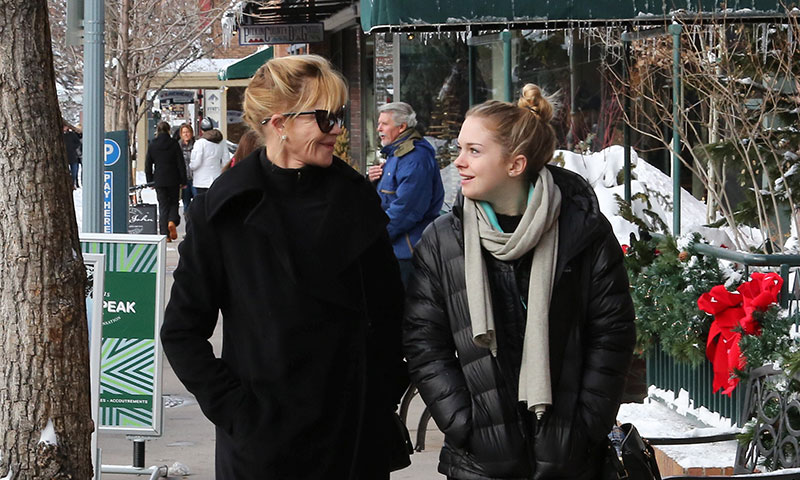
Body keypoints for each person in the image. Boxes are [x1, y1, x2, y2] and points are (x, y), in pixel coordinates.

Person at [161, 54, 410, 479]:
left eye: (337, 116)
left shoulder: (356, 199)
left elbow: (391, 313)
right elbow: (182, 332)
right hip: (265, 447)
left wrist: (381, 391)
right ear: (279, 124)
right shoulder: (223, 211)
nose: (337, 129)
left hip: (351, 439)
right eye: (324, 117)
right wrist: (239, 413)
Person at [402, 84, 636, 480]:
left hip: (572, 458)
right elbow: (424, 340)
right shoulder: (443, 241)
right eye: (460, 148)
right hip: (480, 461)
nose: (458, 162)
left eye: (474, 151)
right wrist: (464, 423)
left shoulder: (583, 234)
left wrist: (585, 426)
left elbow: (612, 334)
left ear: (515, 165)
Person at [366, 102, 444, 286]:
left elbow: (407, 210)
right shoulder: (397, 154)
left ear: (402, 127)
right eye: (379, 123)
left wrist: (377, 237)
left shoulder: (414, 158)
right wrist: (371, 180)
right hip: (397, 249)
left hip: (408, 253)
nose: (379, 129)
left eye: (384, 124)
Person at [145, 121, 187, 242]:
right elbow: (180, 163)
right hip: (173, 178)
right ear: (169, 130)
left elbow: (148, 164)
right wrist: (183, 180)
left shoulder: (153, 144)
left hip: (159, 179)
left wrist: (150, 181)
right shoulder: (174, 144)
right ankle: (172, 220)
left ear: (157, 131)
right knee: (174, 202)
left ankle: (165, 235)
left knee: (163, 205)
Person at [189, 117, 229, 195]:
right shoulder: (222, 142)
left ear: (202, 130)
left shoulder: (200, 143)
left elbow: (196, 163)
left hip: (201, 180)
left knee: (202, 204)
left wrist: (191, 166)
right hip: (217, 178)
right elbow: (226, 161)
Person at [177, 123, 196, 213]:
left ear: (191, 133)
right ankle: (188, 223)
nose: (186, 134)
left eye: (188, 132)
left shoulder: (197, 145)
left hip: (196, 178)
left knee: (197, 202)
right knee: (186, 203)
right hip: (184, 180)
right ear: (181, 134)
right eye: (184, 132)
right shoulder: (178, 146)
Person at [63, 121, 82, 189]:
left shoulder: (72, 134)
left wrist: (73, 147)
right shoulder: (61, 135)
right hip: (64, 156)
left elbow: (78, 143)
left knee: (74, 172)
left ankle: (73, 184)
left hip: (73, 156)